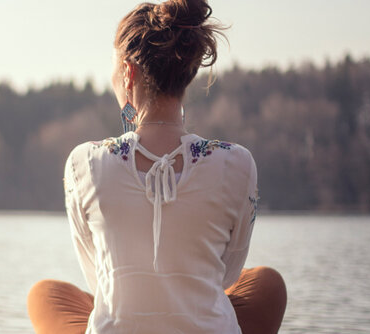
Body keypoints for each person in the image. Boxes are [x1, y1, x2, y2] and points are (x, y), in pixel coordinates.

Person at [26, 1, 287, 333]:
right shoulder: (237, 162)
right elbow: (227, 274)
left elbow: (97, 276)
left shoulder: (84, 163)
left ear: (128, 72)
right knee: (266, 284)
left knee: (45, 295)